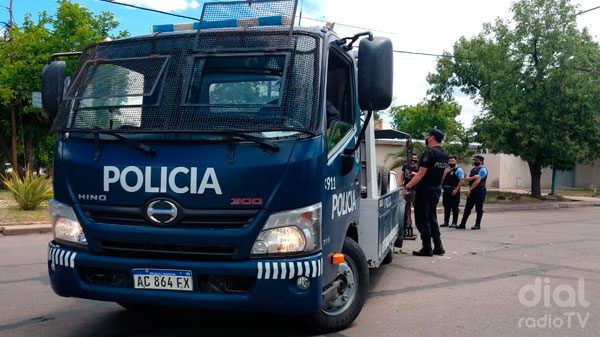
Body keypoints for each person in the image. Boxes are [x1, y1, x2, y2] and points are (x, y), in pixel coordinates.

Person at [404, 128, 449, 256]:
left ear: (432, 137)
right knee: (432, 217)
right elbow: (440, 173)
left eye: (428, 136)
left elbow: (421, 174)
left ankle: (427, 247)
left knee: (422, 218)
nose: (427, 138)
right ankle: (438, 246)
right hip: (436, 189)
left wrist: (407, 187)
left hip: (425, 190)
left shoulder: (429, 153)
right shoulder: (444, 153)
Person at [456, 155, 488, 230]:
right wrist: (473, 177)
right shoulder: (473, 170)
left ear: (481, 161)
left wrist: (470, 189)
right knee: (467, 208)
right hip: (472, 190)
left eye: (476, 160)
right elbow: (466, 178)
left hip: (479, 190)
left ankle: (477, 224)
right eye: (474, 160)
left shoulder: (483, 170)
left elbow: (478, 181)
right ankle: (462, 224)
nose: (475, 162)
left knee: (479, 208)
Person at [440, 155, 464, 228]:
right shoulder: (446, 169)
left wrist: (456, 189)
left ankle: (454, 222)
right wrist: (445, 173)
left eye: (452, 161)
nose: (451, 162)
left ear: (455, 161)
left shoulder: (458, 170)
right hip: (446, 190)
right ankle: (446, 221)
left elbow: (461, 180)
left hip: (454, 190)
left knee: (454, 207)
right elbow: (442, 180)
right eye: (450, 161)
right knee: (446, 206)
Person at [400, 153, 419, 229]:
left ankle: (418, 222)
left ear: (417, 159)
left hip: (414, 189)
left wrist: (414, 174)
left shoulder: (418, 167)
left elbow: (420, 175)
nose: (413, 159)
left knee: (416, 206)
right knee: (407, 206)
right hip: (406, 187)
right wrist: (401, 182)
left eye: (415, 158)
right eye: (412, 158)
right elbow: (402, 174)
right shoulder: (406, 166)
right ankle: (408, 222)